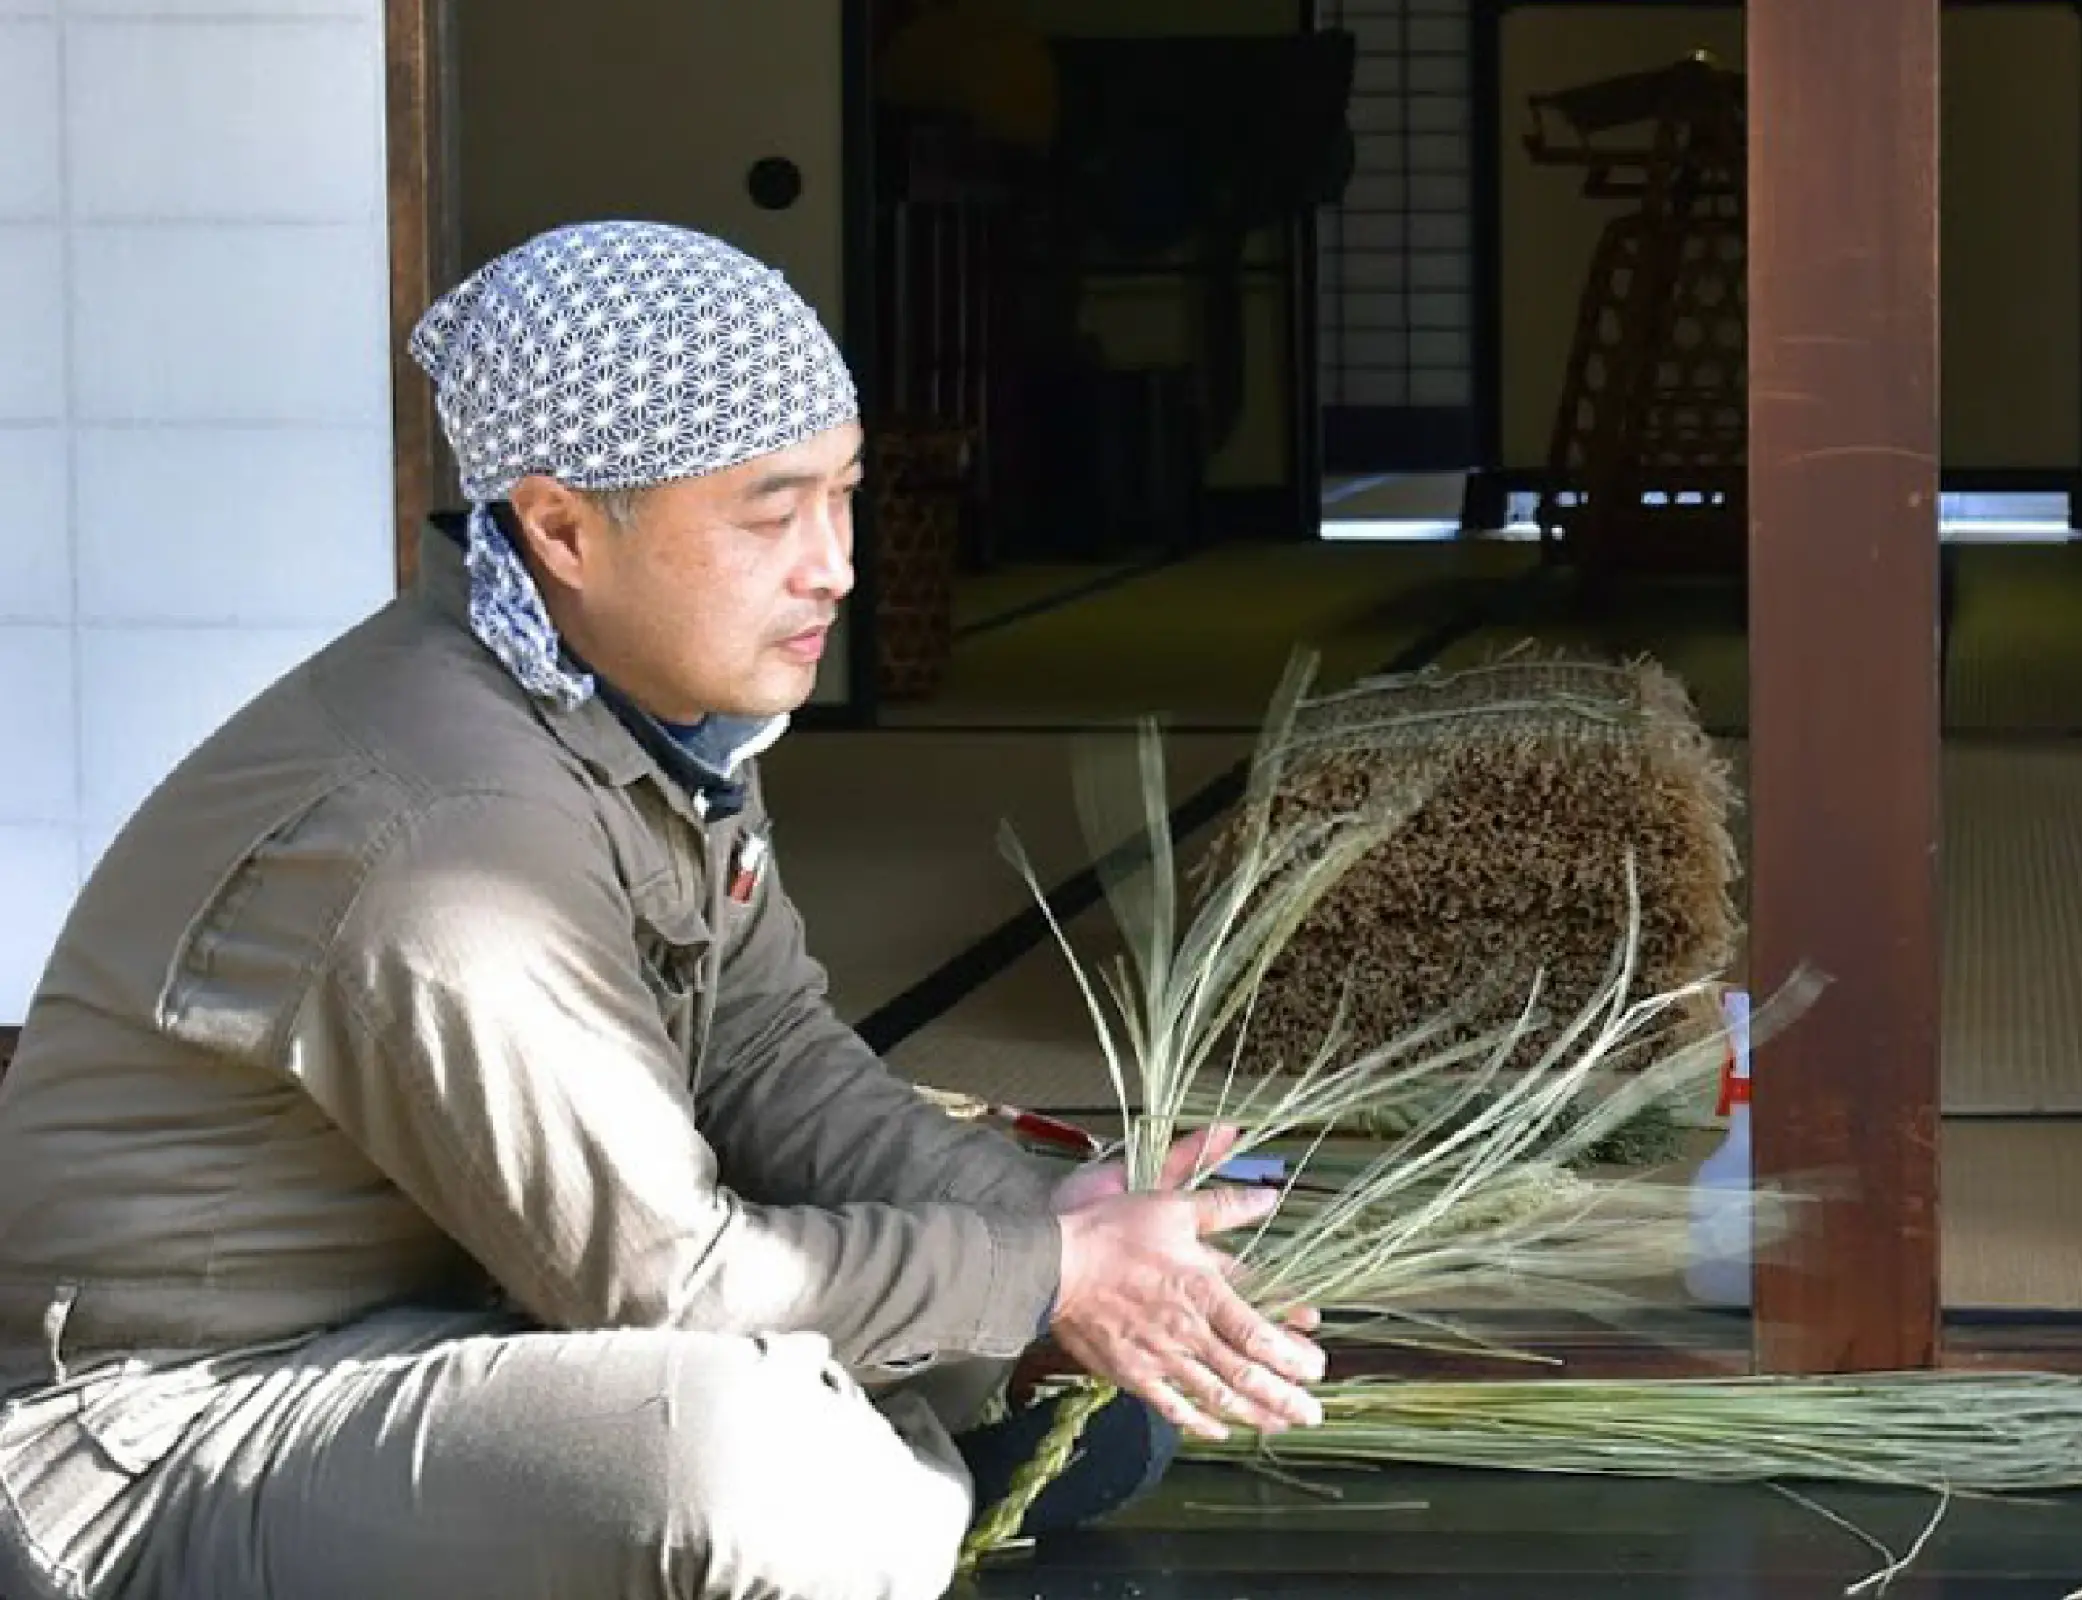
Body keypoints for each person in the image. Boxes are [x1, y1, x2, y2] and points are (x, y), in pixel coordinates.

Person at [0, 220, 1324, 1599]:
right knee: (759, 1471)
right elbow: (664, 1284)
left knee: (1084, 1385)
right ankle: (883, 1456)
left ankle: (888, 1428)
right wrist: (1040, 1274)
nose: (836, 566)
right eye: (770, 512)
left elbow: (769, 1058)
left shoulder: (642, 718)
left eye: (845, 495)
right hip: (160, 1441)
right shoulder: (449, 842)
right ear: (561, 526)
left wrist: (1049, 1214)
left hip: (449, 1328)